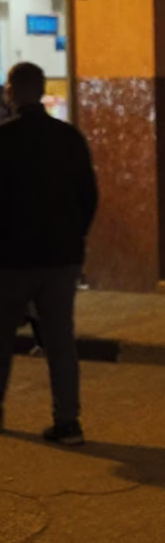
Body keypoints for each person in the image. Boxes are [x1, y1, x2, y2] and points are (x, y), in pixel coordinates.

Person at [0, 62, 99, 443]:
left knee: (1, 341)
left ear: (12, 91)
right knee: (60, 342)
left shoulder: (4, 139)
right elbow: (89, 196)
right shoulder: (69, 138)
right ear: (41, 91)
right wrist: (74, 238)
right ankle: (68, 421)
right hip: (61, 258)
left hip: (10, 261)